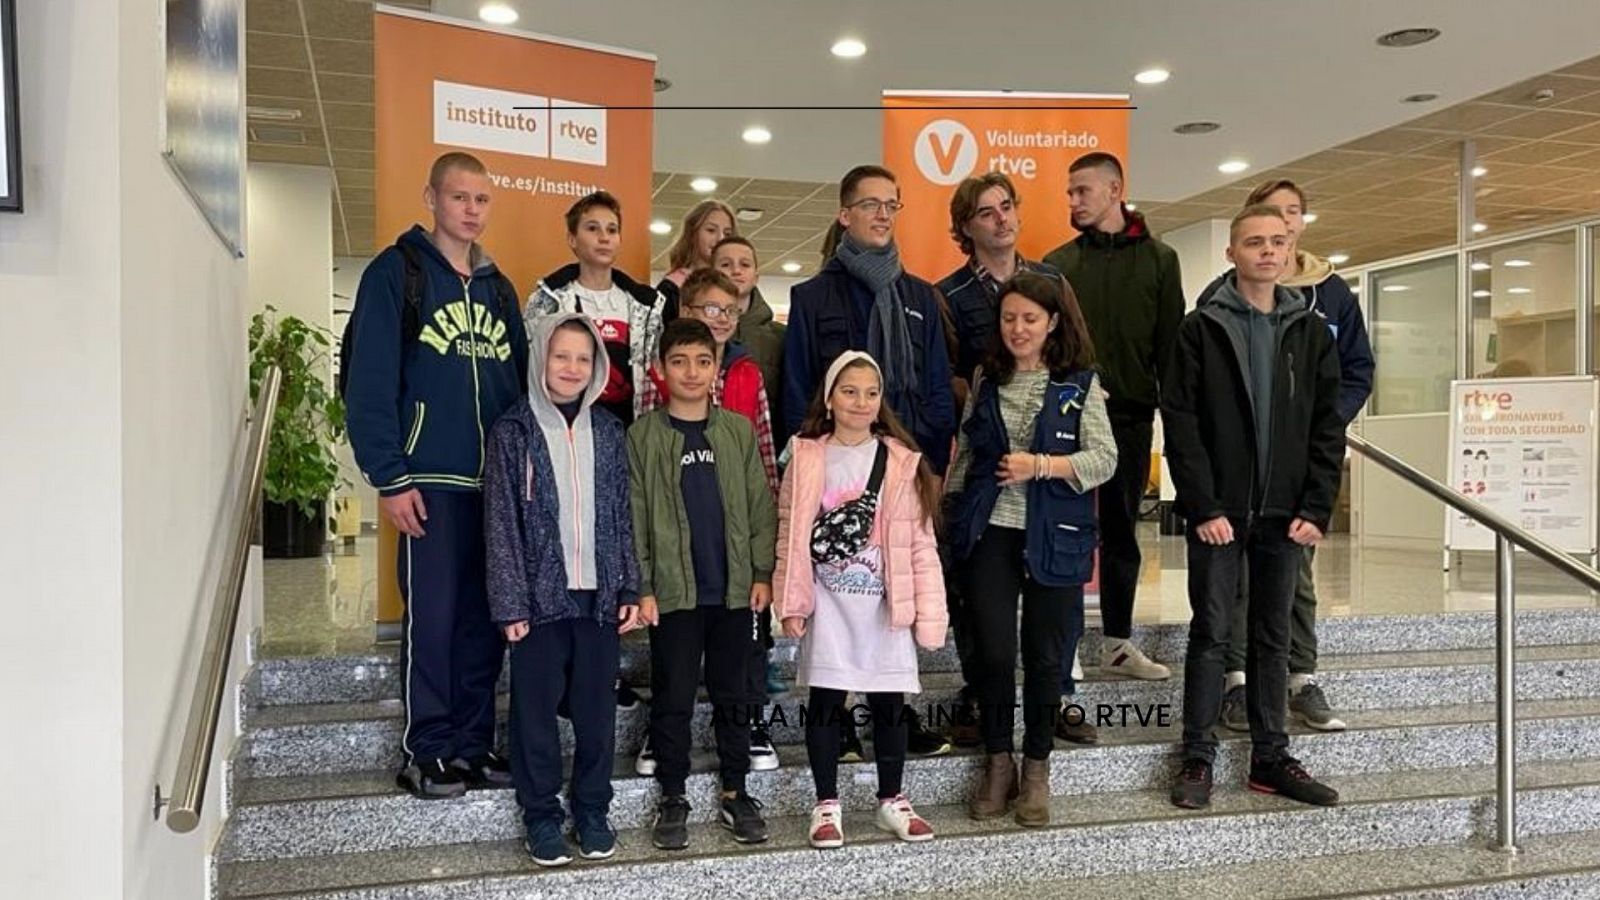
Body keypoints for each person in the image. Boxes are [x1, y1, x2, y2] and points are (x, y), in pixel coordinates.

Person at [344, 151, 528, 801]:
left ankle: (474, 744)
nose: (472, 211)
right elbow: (367, 382)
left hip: (494, 488)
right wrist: (389, 477)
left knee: (485, 618)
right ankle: (428, 748)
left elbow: (516, 391)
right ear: (431, 198)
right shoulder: (397, 274)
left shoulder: (501, 289)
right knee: (435, 620)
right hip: (427, 480)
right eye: (459, 198)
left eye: (481, 200)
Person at [1163, 205, 1344, 811]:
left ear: (1290, 251)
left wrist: (1318, 506)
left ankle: (1270, 757)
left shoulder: (1312, 332)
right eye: (1254, 242)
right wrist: (1202, 504)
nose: (1268, 251)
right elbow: (1182, 422)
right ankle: (1197, 754)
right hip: (1219, 514)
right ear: (1232, 253)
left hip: (1285, 515)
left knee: (1272, 637)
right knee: (1212, 632)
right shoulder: (1201, 329)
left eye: (1278, 242)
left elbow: (1327, 425)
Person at [783, 164, 958, 758]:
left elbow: (937, 387)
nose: (883, 214)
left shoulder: (919, 297)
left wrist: (919, 462)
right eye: (870, 204)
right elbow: (799, 390)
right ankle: (840, 723)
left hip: (902, 476)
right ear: (845, 214)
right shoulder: (812, 297)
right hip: (836, 481)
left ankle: (896, 714)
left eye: (892, 205)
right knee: (839, 602)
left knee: (893, 598)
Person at [1196, 178, 1374, 735]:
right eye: (1263, 230)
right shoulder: (1211, 308)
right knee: (1235, 592)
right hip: (1235, 487)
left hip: (1294, 480)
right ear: (1238, 245)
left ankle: (1299, 680)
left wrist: (1317, 430)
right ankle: (1237, 684)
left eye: (1292, 217)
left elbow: (1354, 372)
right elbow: (1193, 409)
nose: (1278, 236)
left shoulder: (1332, 295)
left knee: (1297, 584)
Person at [945, 271, 1118, 826]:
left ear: (1053, 323)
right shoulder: (986, 378)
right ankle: (999, 762)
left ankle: (1037, 767)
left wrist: (1041, 466)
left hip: (1056, 535)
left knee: (1046, 657)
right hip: (990, 530)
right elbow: (967, 454)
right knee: (993, 653)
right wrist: (950, 513)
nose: (1018, 329)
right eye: (1009, 318)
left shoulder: (1080, 384)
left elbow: (1104, 460)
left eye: (1030, 319)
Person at [483, 312, 641, 867]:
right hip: (537, 603)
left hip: (598, 599)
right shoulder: (513, 432)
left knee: (597, 713)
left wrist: (627, 586)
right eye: (561, 356)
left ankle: (593, 809)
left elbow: (622, 516)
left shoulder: (609, 432)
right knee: (534, 714)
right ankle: (542, 815)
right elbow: (501, 523)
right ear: (540, 359)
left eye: (583, 357)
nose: (572, 367)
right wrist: (510, 603)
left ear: (596, 366)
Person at [774, 352, 949, 849]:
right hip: (828, 604)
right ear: (829, 398)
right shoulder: (806, 456)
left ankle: (891, 799)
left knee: (889, 702)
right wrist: (791, 601)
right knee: (827, 700)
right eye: (849, 391)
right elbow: (788, 532)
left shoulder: (900, 460)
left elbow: (920, 541)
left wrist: (930, 615)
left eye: (871, 392)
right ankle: (825, 804)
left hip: (882, 605)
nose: (861, 401)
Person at [629, 318, 778, 851]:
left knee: (735, 695)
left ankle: (736, 791)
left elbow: (761, 505)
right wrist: (642, 585)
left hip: (735, 592)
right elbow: (635, 516)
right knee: (672, 695)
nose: (691, 372)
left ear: (717, 369)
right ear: (661, 370)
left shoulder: (736, 431)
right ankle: (673, 794)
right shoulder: (643, 436)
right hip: (672, 595)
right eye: (679, 361)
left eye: (702, 360)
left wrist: (763, 572)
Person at [934, 172, 1065, 746]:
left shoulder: (1051, 279)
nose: (1001, 219)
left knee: (1049, 594)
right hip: (986, 455)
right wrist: (991, 399)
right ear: (966, 226)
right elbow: (950, 373)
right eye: (985, 213)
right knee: (978, 590)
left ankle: (1052, 696)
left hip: (1050, 462)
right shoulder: (951, 293)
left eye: (1006, 207)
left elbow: (1078, 353)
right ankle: (978, 693)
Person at [1043, 152, 1184, 683]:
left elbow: (1169, 349)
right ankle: (1067, 644)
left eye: (1082, 190)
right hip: (1066, 420)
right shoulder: (1058, 264)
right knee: (1067, 529)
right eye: (1070, 192)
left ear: (1114, 189)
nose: (1073, 201)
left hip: (1129, 416)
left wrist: (1177, 431)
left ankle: (1119, 642)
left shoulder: (1159, 261)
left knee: (1122, 531)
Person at [529, 190, 667, 429]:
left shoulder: (645, 305)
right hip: (565, 427)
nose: (604, 238)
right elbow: (531, 368)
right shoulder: (547, 301)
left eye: (612, 230)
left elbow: (655, 374)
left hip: (628, 430)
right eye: (592, 229)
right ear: (572, 239)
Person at [657, 199, 737, 321]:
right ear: (693, 233)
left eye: (727, 234)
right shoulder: (672, 288)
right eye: (711, 230)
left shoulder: (736, 283)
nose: (720, 238)